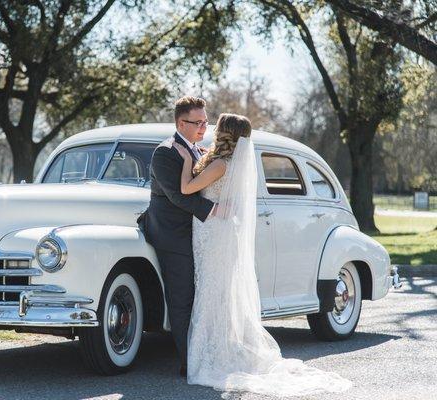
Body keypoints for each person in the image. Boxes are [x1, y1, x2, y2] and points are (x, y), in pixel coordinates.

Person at [173, 113, 352, 396]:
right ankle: (216, 348)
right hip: (217, 232)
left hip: (213, 235)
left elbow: (186, 188)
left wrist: (186, 161)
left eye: (216, 127)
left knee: (211, 291)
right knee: (217, 292)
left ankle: (211, 356)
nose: (211, 130)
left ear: (224, 134)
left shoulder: (220, 164)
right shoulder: (227, 162)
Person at [138, 96, 216, 377]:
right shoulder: (166, 152)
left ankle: (199, 353)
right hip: (172, 236)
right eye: (198, 122)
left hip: (193, 235)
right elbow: (177, 196)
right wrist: (216, 210)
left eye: (206, 122)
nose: (203, 127)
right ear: (180, 123)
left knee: (196, 296)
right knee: (181, 298)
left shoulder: (196, 149)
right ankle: (189, 363)